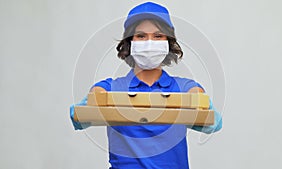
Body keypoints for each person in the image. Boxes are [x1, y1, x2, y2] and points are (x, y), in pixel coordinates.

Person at [70, 2, 222, 169]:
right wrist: (96, 96)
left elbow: (214, 123)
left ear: (168, 42)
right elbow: (78, 117)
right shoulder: (111, 87)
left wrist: (198, 98)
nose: (149, 43)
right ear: (130, 42)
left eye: (158, 36)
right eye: (141, 36)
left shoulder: (184, 87)